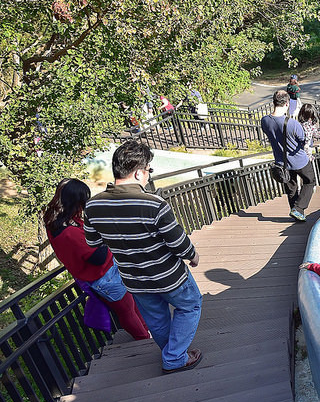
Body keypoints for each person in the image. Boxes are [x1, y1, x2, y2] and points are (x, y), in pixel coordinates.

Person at [84, 140, 203, 374]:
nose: (148, 175)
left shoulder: (93, 206)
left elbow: (93, 243)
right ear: (138, 172)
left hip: (134, 279)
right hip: (168, 275)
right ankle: (174, 357)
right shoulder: (153, 204)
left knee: (157, 319)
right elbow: (177, 242)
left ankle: (172, 353)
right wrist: (193, 255)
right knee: (190, 306)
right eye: (149, 170)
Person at [45, 178, 150, 341]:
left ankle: (145, 334)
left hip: (105, 273)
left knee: (131, 306)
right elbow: (98, 257)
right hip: (104, 275)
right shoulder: (69, 233)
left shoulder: (56, 221)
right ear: (75, 202)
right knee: (127, 310)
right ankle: (143, 339)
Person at [260, 90, 316, 222]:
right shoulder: (292, 123)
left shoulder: (265, 121)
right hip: (299, 160)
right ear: (287, 103)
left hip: (281, 163)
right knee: (310, 181)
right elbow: (303, 140)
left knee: (291, 188)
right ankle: (298, 209)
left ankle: (297, 214)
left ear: (274, 102)